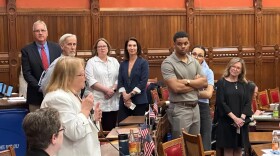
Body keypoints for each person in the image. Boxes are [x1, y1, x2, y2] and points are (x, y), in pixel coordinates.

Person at [41, 57, 102, 156]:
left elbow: (80, 121)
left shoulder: (72, 94)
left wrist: (93, 118)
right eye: (82, 74)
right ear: (68, 77)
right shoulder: (57, 98)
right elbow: (74, 132)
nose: (85, 77)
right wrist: (85, 110)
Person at [161, 31, 207, 138]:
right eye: (179, 44)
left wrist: (186, 81)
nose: (183, 46)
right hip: (180, 109)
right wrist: (196, 84)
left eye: (185, 43)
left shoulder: (194, 61)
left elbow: (204, 83)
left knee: (195, 145)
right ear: (174, 45)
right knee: (180, 146)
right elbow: (176, 88)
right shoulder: (168, 63)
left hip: (195, 107)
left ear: (189, 43)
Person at [21, 20, 61, 112]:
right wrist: (40, 88)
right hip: (36, 96)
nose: (40, 33)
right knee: (37, 125)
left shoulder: (56, 48)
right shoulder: (26, 50)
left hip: (55, 95)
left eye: (43, 30)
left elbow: (60, 69)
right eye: (37, 31)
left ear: (47, 33)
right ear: (33, 33)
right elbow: (27, 73)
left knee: (54, 125)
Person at [215, 57, 252, 156]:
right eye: (233, 66)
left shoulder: (245, 84)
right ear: (229, 66)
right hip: (227, 122)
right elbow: (221, 103)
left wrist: (241, 119)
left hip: (241, 123)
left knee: (239, 149)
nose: (235, 69)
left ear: (241, 71)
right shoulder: (222, 83)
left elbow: (248, 102)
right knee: (228, 150)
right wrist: (235, 118)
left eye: (238, 68)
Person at [84, 38, 120, 131]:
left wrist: (113, 89)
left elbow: (119, 77)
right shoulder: (91, 62)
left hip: (113, 100)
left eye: (104, 46)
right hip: (99, 101)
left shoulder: (114, 61)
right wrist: (106, 90)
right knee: (99, 130)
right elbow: (90, 80)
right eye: (99, 46)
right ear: (96, 49)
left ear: (108, 48)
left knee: (112, 129)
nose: (102, 48)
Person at [117, 37, 149, 123]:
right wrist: (124, 96)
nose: (132, 48)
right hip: (124, 101)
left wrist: (129, 95)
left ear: (137, 47)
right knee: (122, 126)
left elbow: (143, 82)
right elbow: (120, 81)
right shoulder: (123, 64)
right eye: (129, 45)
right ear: (126, 48)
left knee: (137, 128)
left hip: (139, 101)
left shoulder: (143, 63)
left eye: (134, 45)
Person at [191, 46, 214, 150]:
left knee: (205, 139)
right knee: (190, 142)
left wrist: (190, 89)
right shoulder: (182, 69)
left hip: (202, 107)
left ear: (203, 58)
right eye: (194, 54)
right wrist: (199, 90)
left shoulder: (208, 72)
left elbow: (209, 94)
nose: (196, 57)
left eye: (200, 55)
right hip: (186, 106)